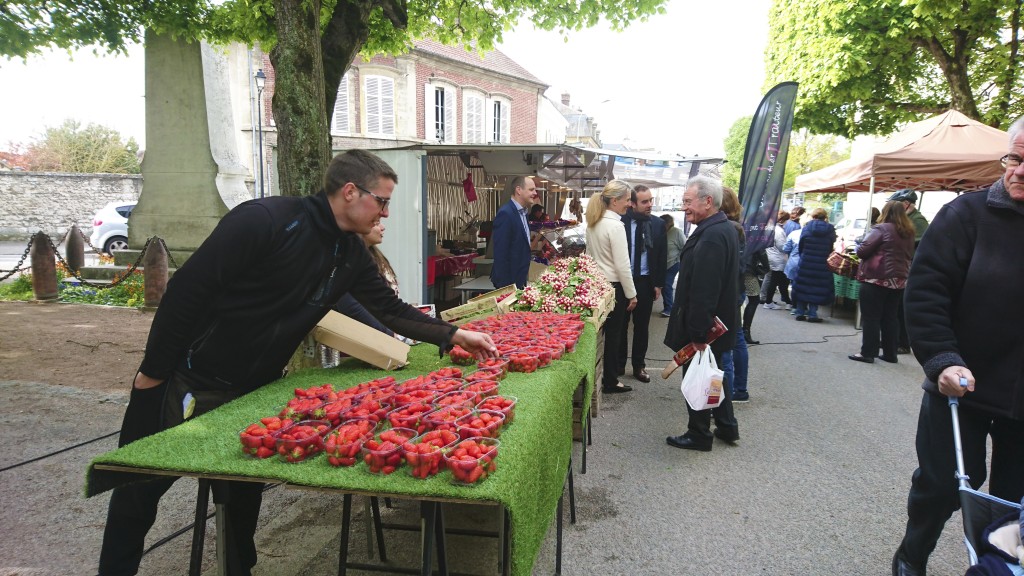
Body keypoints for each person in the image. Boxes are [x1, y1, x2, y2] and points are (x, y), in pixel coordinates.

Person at [97, 149, 498, 576]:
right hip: (187, 376)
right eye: (381, 202)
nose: (385, 213)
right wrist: (153, 372)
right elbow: (186, 294)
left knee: (241, 493)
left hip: (253, 385)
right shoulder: (265, 220)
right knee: (137, 489)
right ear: (350, 192)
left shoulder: (351, 252)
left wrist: (455, 335)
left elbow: (390, 309)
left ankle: (239, 569)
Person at [892, 117, 1024, 576]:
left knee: (1014, 500)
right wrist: (942, 359)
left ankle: (999, 568)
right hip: (961, 382)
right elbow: (927, 292)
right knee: (942, 485)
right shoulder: (965, 215)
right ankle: (912, 555)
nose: (1019, 171)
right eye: (1015, 158)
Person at [664, 175, 739, 451]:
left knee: (699, 377)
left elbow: (704, 289)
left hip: (706, 325)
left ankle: (699, 433)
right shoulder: (720, 228)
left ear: (707, 201)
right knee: (713, 374)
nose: (684, 207)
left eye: (687, 201)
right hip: (716, 322)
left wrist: (698, 334)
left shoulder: (713, 235)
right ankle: (727, 425)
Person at [585, 179, 637, 394]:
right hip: (614, 288)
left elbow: (588, 257)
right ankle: (611, 380)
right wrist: (632, 294)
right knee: (614, 336)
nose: (630, 204)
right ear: (614, 201)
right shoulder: (616, 226)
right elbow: (623, 265)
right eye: (627, 200)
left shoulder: (593, 223)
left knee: (596, 335)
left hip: (596, 285)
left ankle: (593, 376)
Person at [846, 201, 914, 364]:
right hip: (899, 280)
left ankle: (868, 353)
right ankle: (891, 354)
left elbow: (862, 251)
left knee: (871, 316)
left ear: (885, 212)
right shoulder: (909, 231)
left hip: (877, 278)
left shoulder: (881, 229)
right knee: (890, 317)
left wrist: (859, 245)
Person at [618, 185, 667, 383]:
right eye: (644, 202)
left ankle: (639, 366)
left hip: (645, 282)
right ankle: (619, 365)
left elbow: (662, 255)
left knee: (642, 327)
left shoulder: (657, 224)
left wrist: (659, 284)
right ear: (632, 203)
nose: (649, 205)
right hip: (622, 281)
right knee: (620, 326)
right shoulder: (620, 221)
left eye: (651, 200)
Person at [333, 221, 400, 337]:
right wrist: (387, 333)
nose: (383, 227)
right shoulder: (345, 259)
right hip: (362, 337)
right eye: (377, 223)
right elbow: (350, 306)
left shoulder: (375, 256)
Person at [721, 187, 766, 344]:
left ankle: (745, 330)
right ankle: (745, 330)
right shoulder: (740, 225)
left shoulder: (735, 226)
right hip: (745, 271)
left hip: (744, 271)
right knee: (735, 329)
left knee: (751, 301)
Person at [887, 189, 929, 355]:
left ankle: (903, 343)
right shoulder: (907, 219)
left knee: (902, 308)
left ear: (906, 204)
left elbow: (913, 244)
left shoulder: (918, 221)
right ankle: (893, 340)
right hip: (903, 268)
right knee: (895, 307)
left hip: (911, 269)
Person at [719, 187, 751, 402]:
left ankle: (726, 396)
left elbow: (731, 266)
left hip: (728, 293)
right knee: (736, 339)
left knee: (725, 345)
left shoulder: (729, 228)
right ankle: (739, 389)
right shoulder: (736, 226)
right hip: (736, 290)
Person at [490, 175, 537, 289]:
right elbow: (500, 253)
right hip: (508, 282)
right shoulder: (506, 213)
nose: (535, 193)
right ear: (518, 190)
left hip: (519, 278)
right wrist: (506, 288)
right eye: (531, 190)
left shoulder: (524, 213)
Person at [789, 207, 836, 323]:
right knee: (816, 287)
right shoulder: (830, 229)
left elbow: (801, 245)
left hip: (806, 261)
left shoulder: (807, 228)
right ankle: (813, 314)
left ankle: (800, 312)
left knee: (803, 286)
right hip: (822, 263)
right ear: (825, 217)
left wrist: (804, 256)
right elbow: (831, 247)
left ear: (813, 216)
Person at [760, 210, 792, 310]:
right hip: (778, 258)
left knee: (771, 278)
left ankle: (767, 298)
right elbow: (782, 247)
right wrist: (789, 247)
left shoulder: (768, 228)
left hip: (770, 256)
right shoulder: (779, 231)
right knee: (775, 281)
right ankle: (768, 301)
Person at [660, 213, 685, 318]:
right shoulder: (661, 232)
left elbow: (684, 247)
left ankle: (669, 309)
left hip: (674, 263)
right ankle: (668, 306)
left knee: (667, 284)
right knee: (662, 285)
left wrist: (680, 260)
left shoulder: (676, 232)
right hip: (663, 264)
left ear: (668, 223)